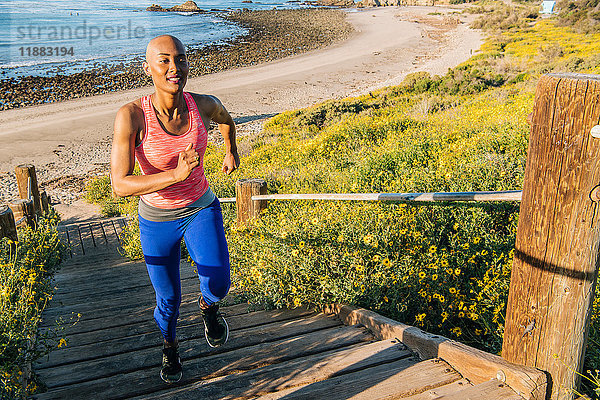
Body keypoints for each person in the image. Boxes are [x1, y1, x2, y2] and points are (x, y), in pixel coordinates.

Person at [110, 34, 239, 384]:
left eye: (180, 59)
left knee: (220, 282)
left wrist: (231, 151)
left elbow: (226, 118)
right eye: (164, 60)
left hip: (200, 206)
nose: (174, 67)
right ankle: (169, 345)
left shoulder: (202, 105)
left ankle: (209, 308)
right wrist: (175, 175)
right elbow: (120, 185)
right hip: (157, 219)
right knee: (168, 299)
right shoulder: (133, 116)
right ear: (147, 67)